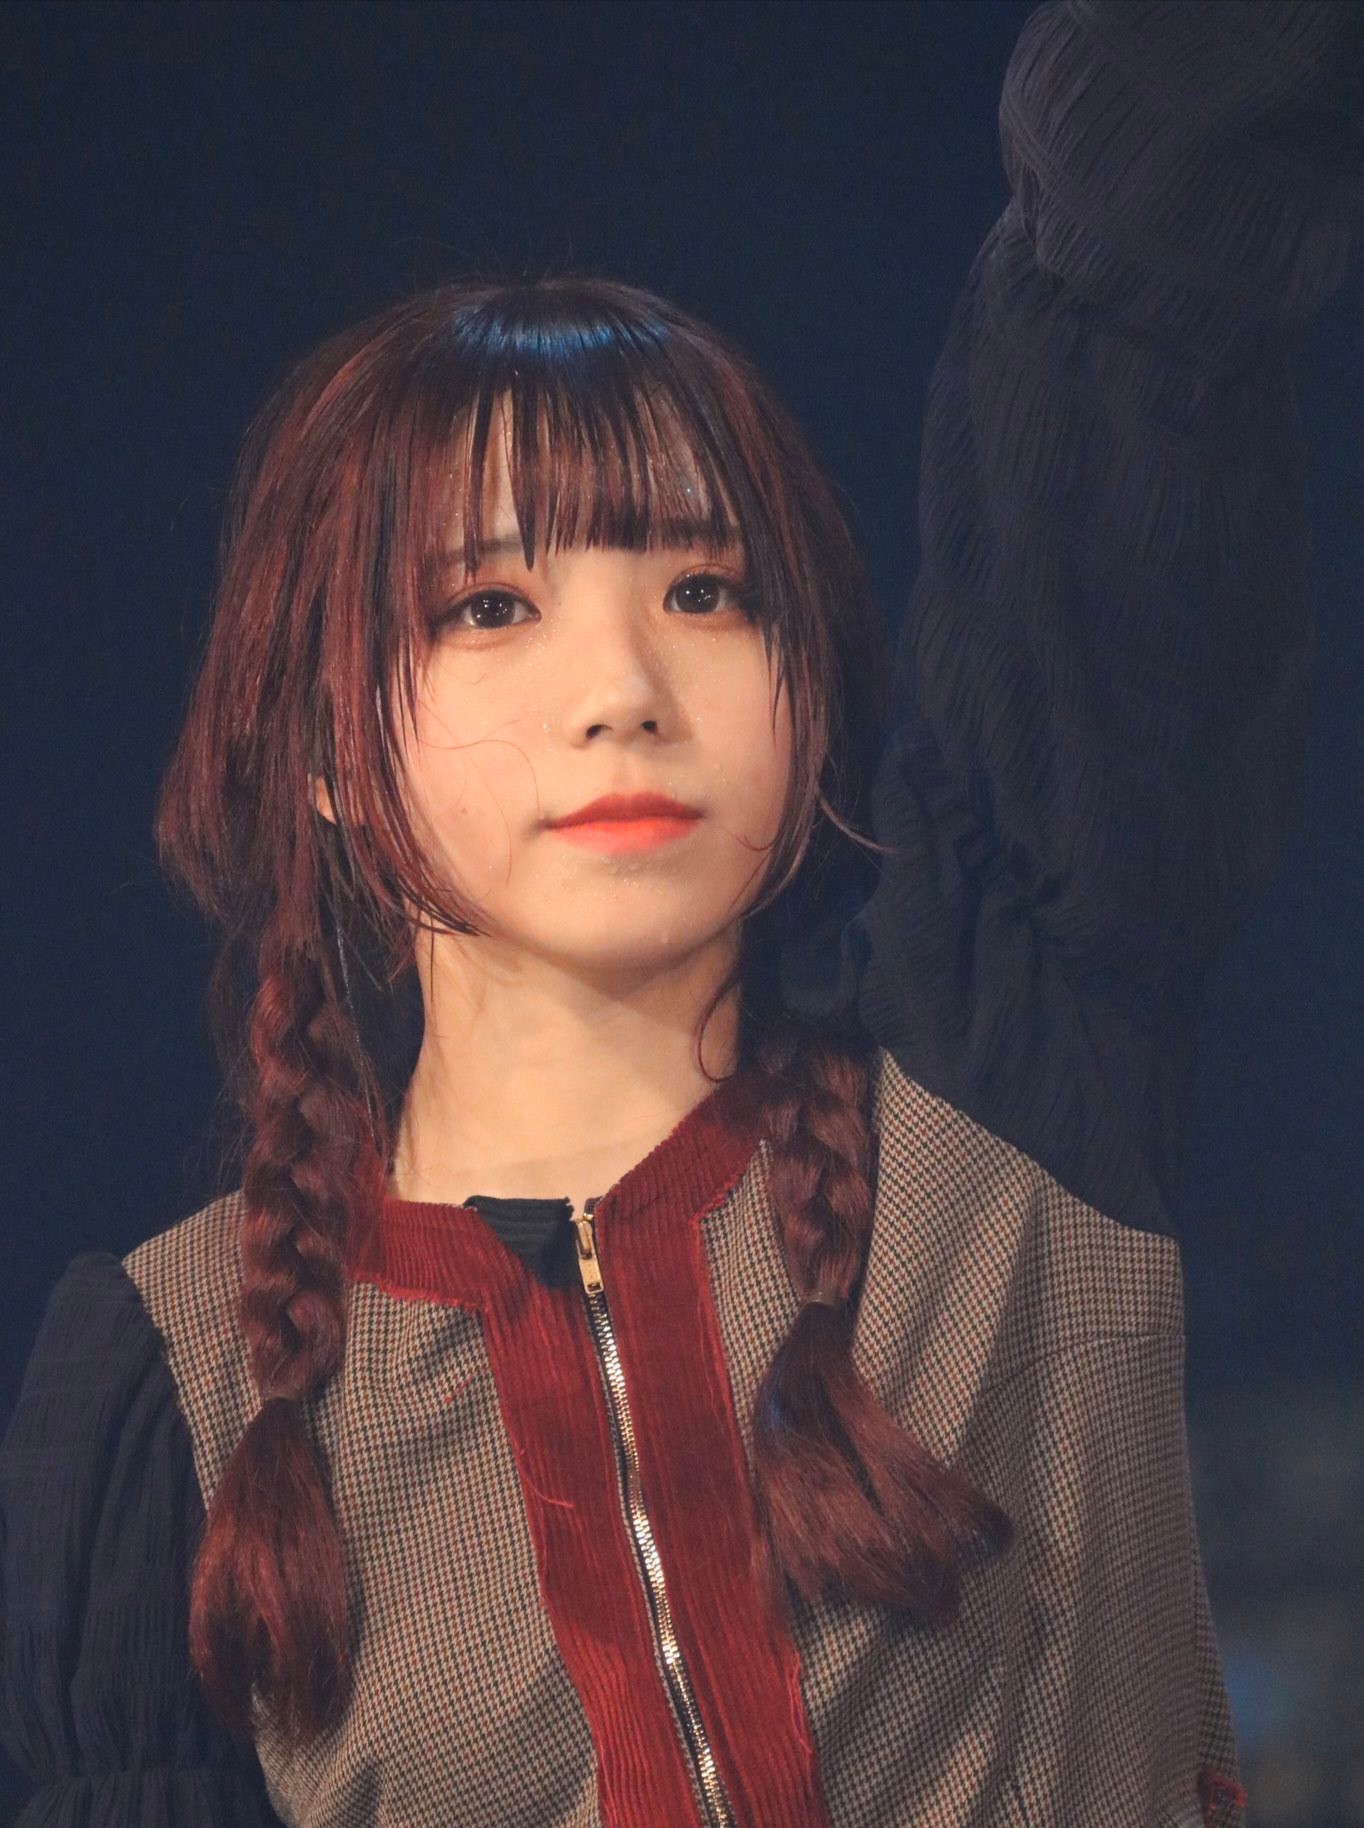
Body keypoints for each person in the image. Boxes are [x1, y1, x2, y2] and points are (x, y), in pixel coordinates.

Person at [2, 3, 1361, 1824]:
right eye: (491, 608)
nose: (624, 690)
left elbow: (1141, 284)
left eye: (707, 590)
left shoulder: (1002, 1090)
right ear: (322, 745)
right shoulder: (175, 1389)